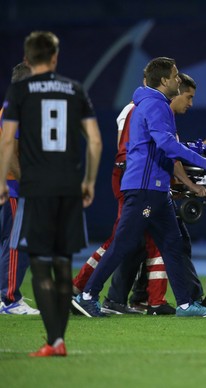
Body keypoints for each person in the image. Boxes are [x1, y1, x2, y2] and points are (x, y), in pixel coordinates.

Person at [71, 57, 206, 318]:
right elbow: (167, 145)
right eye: (174, 76)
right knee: (123, 243)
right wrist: (202, 161)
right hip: (144, 188)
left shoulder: (154, 104)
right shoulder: (154, 104)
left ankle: (185, 304)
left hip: (156, 189)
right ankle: (87, 295)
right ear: (163, 81)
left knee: (172, 243)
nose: (177, 80)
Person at [0, 31, 102, 356]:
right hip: (69, 187)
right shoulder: (75, 89)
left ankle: (54, 340)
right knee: (62, 263)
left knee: (39, 264)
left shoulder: (19, 91)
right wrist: (88, 181)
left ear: (28, 59)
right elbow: (96, 142)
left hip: (34, 188)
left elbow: (6, 141)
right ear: (55, 57)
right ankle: (58, 339)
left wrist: (3, 179)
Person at [0, 62, 40, 315]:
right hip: (15, 186)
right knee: (18, 242)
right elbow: (12, 151)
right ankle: (10, 298)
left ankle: (5, 295)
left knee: (9, 241)